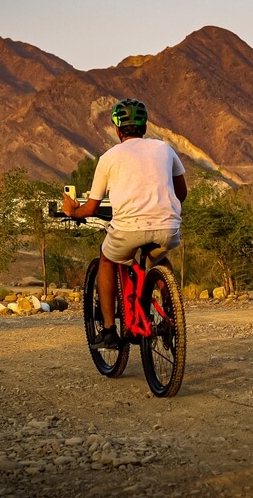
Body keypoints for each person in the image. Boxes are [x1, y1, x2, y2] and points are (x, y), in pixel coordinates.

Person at [61, 98, 187, 348]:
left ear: (118, 129)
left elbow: (92, 207)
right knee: (159, 260)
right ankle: (171, 315)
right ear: (145, 126)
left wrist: (72, 211)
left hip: (128, 229)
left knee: (107, 260)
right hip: (168, 227)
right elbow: (181, 192)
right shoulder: (164, 148)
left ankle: (108, 330)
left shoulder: (109, 157)